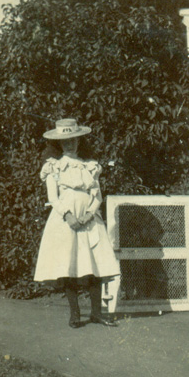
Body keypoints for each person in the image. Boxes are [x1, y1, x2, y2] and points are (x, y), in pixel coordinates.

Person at [34, 119, 120, 328]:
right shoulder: (54, 166)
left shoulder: (89, 166)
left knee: (94, 264)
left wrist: (90, 214)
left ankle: (96, 313)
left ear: (79, 141)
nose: (70, 145)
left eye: (73, 140)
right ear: (59, 144)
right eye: (65, 142)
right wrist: (68, 216)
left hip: (89, 220)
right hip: (66, 221)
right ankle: (75, 314)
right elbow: (53, 198)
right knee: (69, 264)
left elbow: (97, 196)